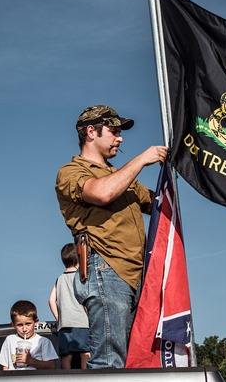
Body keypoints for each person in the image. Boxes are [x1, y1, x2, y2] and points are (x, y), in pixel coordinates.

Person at [55, 104, 168, 368]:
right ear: (91, 132)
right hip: (107, 270)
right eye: (114, 131)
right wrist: (142, 159)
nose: (120, 137)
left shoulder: (118, 176)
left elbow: (157, 203)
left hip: (137, 275)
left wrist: (174, 170)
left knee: (135, 362)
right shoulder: (71, 172)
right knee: (109, 362)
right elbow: (102, 193)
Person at [48, 243, 91, 369]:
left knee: (66, 355)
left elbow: (51, 300)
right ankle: (85, 378)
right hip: (82, 322)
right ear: (80, 259)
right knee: (85, 353)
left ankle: (65, 378)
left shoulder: (59, 279)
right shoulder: (82, 277)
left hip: (64, 324)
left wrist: (59, 318)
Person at [0, 300, 59, 370]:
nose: (24, 329)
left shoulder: (43, 342)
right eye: (19, 325)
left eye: (28, 324)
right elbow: (5, 367)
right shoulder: (10, 340)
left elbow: (51, 366)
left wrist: (30, 361)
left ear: (36, 322)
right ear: (13, 325)